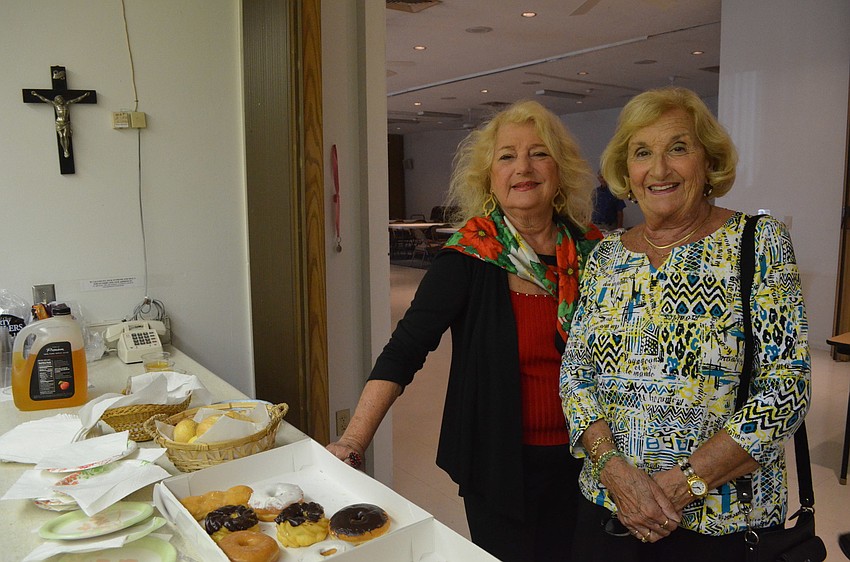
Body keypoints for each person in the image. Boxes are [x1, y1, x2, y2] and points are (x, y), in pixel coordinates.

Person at [328, 99, 602, 561]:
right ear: (490, 177)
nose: (523, 167)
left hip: (591, 458)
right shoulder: (469, 256)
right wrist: (353, 442)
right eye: (507, 156)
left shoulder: (595, 253)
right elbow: (405, 350)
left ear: (560, 170)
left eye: (539, 153)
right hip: (499, 463)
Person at [559, 87, 811, 561]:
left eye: (678, 148)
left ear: (708, 160)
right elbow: (575, 375)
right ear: (625, 171)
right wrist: (613, 468)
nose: (658, 170)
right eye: (642, 153)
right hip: (607, 508)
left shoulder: (758, 242)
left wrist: (684, 483)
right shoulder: (606, 256)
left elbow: (787, 388)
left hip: (722, 526)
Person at [30, 90, 90, 158]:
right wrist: (36, 94)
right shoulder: (56, 105)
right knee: (61, 136)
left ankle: (66, 150)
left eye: (61, 99)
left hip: (66, 123)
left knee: (65, 135)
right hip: (59, 123)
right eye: (59, 100)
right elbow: (45, 99)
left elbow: (77, 99)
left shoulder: (67, 103)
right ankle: (64, 149)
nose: (60, 100)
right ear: (57, 101)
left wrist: (84, 95)